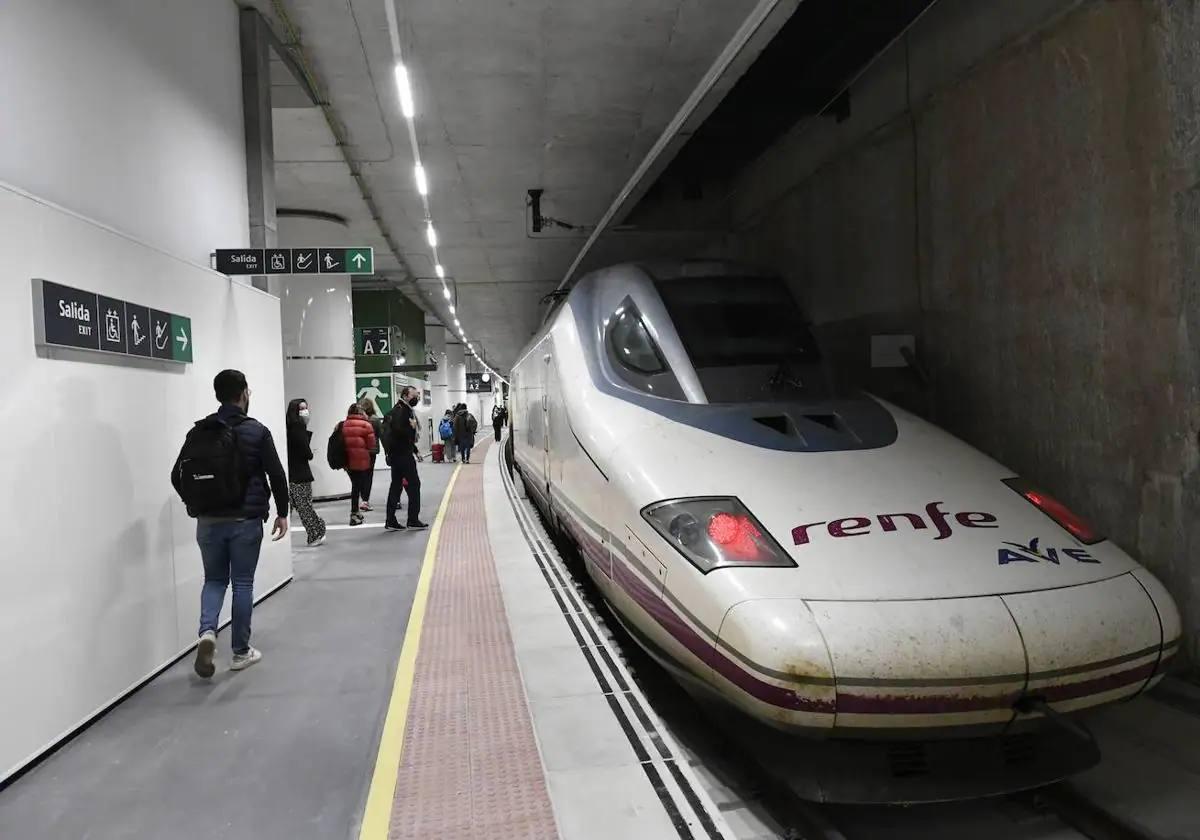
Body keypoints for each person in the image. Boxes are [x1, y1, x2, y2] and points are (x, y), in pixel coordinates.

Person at [171, 369, 288, 678]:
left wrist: (196, 505)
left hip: (207, 521)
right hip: (244, 520)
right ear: (244, 393)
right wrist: (283, 512)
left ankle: (207, 632)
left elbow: (176, 475)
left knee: (213, 580)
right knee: (243, 583)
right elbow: (276, 473)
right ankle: (240, 652)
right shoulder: (256, 430)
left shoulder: (200, 431)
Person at [383, 385, 428, 531]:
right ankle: (413, 519)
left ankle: (390, 519)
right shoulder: (402, 411)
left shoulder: (400, 409)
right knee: (414, 485)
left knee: (396, 486)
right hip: (402, 455)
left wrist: (415, 450)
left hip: (398, 454)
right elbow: (400, 432)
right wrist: (412, 427)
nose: (417, 398)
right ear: (406, 395)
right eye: (414, 395)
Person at [286, 398, 326, 546]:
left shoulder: (290, 427)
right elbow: (307, 453)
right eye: (302, 408)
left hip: (293, 474)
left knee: (297, 505)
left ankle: (317, 531)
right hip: (300, 474)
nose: (305, 411)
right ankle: (317, 530)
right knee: (304, 506)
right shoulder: (298, 428)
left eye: (306, 408)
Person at [341, 403, 377, 526]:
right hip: (361, 461)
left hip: (347, 461)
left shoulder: (343, 425)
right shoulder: (366, 425)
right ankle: (354, 513)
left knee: (355, 486)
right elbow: (371, 444)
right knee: (357, 487)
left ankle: (355, 511)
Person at [359, 397, 384, 511]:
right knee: (369, 475)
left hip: (359, 450)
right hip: (371, 451)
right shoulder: (375, 419)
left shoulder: (357, 420)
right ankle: (365, 500)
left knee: (360, 474)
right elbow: (381, 434)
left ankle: (361, 497)